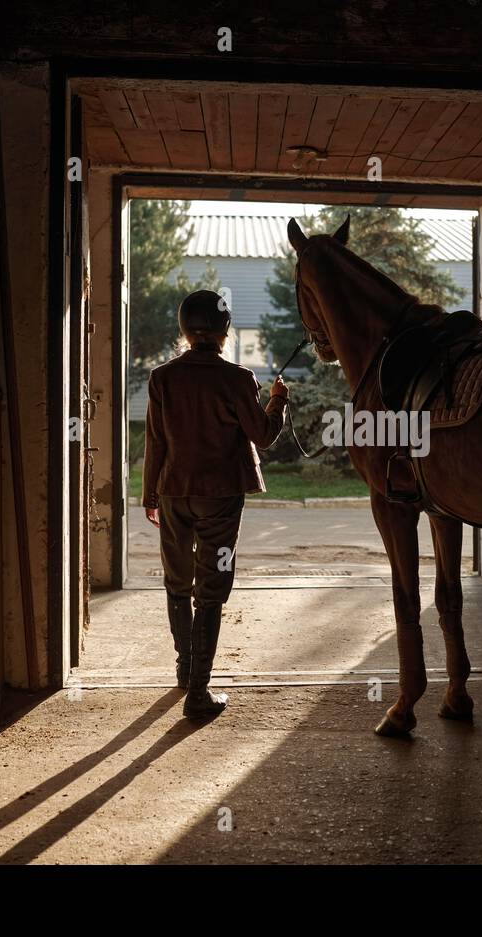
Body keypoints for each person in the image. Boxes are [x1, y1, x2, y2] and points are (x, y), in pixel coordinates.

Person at [143, 289, 289, 719]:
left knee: (176, 581)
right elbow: (263, 435)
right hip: (221, 498)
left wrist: (150, 495)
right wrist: (278, 400)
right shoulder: (239, 379)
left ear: (184, 330)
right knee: (211, 588)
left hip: (173, 493)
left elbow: (155, 441)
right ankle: (199, 693)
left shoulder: (162, 378)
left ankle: (185, 669)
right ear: (225, 331)